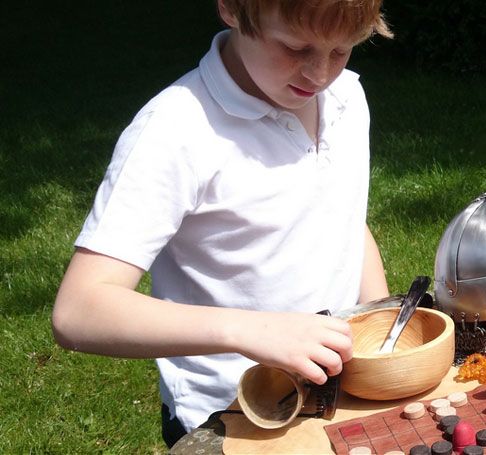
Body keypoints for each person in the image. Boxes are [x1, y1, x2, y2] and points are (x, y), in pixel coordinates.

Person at [51, 0, 392, 446]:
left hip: (340, 392)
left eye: (342, 50)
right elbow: (79, 310)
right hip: (233, 417)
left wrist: (381, 323)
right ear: (231, 9)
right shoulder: (176, 131)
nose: (319, 74)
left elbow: (343, 216)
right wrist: (249, 329)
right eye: (295, 47)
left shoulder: (346, 97)